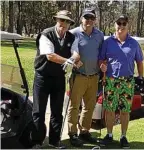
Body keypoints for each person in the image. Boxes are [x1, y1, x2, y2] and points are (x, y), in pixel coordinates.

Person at [32, 10, 81, 149]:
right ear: (57, 20)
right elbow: (50, 56)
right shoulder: (46, 34)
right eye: (61, 20)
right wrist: (69, 61)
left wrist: (72, 59)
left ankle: (54, 141)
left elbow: (76, 53)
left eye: (67, 22)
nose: (63, 24)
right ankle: (37, 142)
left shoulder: (71, 37)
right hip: (42, 77)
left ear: (69, 24)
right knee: (38, 111)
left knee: (57, 111)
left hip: (59, 78)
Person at [99, 15, 144, 149]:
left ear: (127, 25)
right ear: (115, 25)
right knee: (109, 109)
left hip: (127, 81)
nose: (121, 26)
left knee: (125, 110)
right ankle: (109, 134)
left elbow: (139, 62)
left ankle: (123, 136)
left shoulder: (134, 43)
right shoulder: (108, 42)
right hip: (110, 80)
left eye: (124, 23)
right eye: (119, 23)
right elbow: (101, 59)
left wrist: (140, 77)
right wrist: (102, 66)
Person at [67, 8, 104, 147]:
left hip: (94, 76)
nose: (89, 20)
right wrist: (73, 59)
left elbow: (101, 54)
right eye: (86, 17)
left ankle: (84, 131)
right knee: (74, 105)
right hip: (78, 76)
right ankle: (72, 133)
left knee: (89, 106)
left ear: (95, 20)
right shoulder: (73, 33)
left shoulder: (99, 35)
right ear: (81, 19)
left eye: (91, 18)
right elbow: (66, 50)